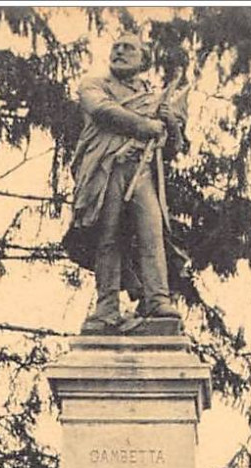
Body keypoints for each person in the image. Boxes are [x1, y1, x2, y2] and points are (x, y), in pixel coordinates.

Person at [62, 31, 187, 334]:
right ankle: (107, 308)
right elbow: (102, 111)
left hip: (142, 171)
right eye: (116, 47)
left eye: (128, 48)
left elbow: (172, 149)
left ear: (144, 60)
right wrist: (145, 125)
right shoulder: (94, 84)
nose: (119, 52)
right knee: (109, 236)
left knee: (151, 232)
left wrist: (169, 123)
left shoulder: (156, 98)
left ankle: (157, 300)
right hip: (106, 169)